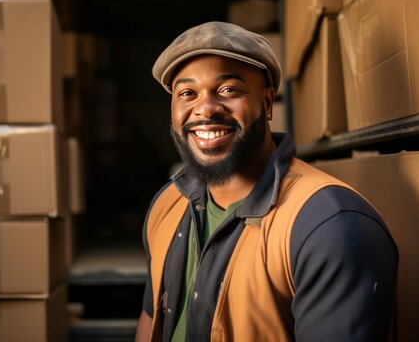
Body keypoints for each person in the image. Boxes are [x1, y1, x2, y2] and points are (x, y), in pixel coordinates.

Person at [134, 21, 398, 342]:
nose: (205, 109)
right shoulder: (167, 203)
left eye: (228, 90)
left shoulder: (330, 226)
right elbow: (152, 320)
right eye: (187, 93)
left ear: (268, 102)